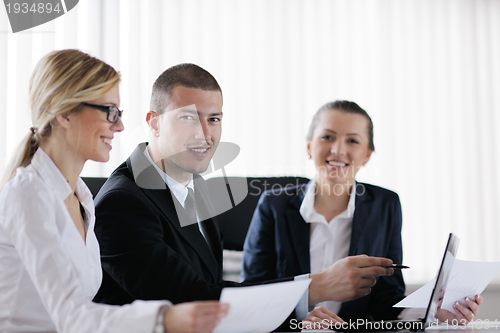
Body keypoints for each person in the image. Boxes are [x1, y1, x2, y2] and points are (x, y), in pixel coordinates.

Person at [92, 64, 394, 331]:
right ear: (154, 122)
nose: (205, 134)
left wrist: (296, 318)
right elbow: (191, 297)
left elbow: (216, 289)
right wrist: (315, 287)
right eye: (188, 118)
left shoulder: (195, 186)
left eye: (213, 119)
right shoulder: (122, 203)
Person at [0, 49, 228, 333]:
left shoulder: (81, 199)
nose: (119, 126)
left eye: (118, 113)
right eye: (109, 111)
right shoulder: (29, 194)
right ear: (64, 114)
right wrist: (164, 319)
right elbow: (70, 316)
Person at [241, 100, 483, 324]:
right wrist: (301, 314)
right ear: (309, 146)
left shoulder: (385, 205)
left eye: (352, 141)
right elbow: (254, 292)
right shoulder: (274, 204)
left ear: (367, 154)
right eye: (327, 137)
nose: (337, 149)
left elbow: (385, 297)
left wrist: (430, 312)